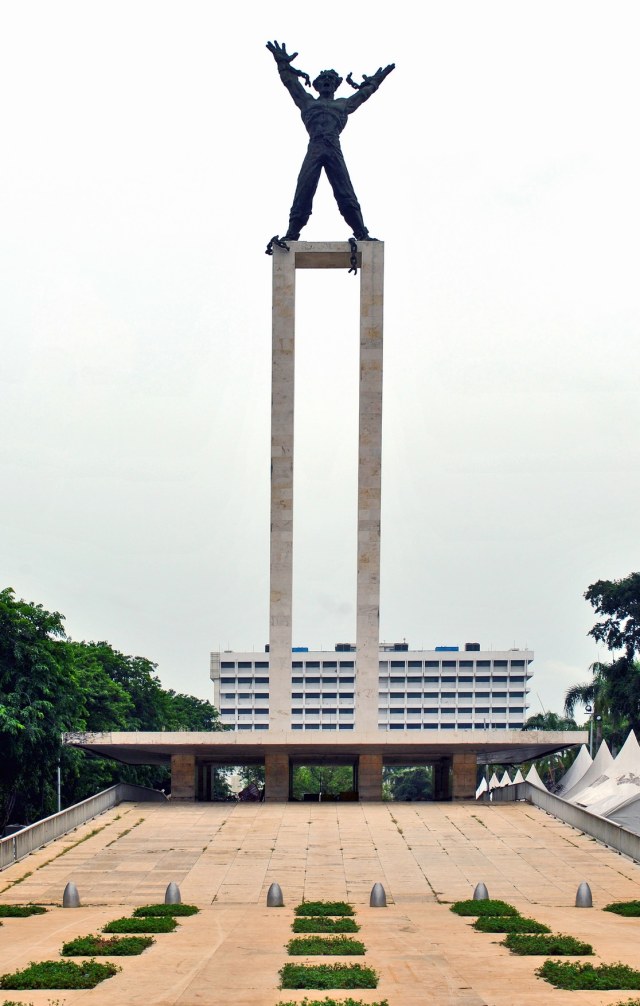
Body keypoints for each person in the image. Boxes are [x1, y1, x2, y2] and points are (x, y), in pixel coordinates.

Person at [266, 40, 394, 241]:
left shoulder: (343, 104)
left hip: (333, 146)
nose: (326, 81)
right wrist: (282, 63)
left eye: (330, 79)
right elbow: (291, 83)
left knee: (345, 191)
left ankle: (362, 233)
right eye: (323, 78)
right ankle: (292, 234)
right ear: (316, 84)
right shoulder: (307, 102)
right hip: (315, 146)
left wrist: (376, 81)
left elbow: (363, 94)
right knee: (304, 189)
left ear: (336, 84)